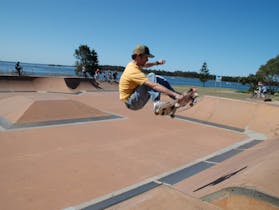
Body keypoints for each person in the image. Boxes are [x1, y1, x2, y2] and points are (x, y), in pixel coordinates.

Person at [119, 45, 196, 113]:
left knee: (158, 78)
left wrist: (157, 63)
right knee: (151, 76)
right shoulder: (132, 70)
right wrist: (175, 95)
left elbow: (146, 65)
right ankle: (157, 103)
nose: (147, 59)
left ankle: (180, 97)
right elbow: (154, 86)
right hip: (132, 102)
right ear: (138, 56)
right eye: (146, 57)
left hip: (134, 99)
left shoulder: (135, 64)